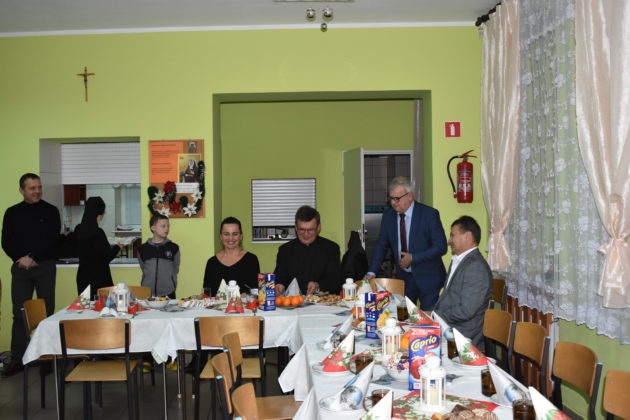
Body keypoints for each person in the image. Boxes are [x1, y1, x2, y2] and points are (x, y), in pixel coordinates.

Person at [1, 173, 61, 377]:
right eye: (32, 188)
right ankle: (18, 359)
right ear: (22, 190)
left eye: (39, 187)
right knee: (19, 314)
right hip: (21, 268)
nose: (37, 191)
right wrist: (21, 258)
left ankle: (47, 358)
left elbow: (53, 240)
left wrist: (33, 257)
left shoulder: (51, 211)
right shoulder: (12, 212)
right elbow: (6, 241)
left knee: (46, 313)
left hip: (44, 266)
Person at [365, 176, 447, 310]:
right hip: (404, 279)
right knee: (404, 317)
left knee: (427, 319)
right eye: (391, 198)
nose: (393, 203)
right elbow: (381, 245)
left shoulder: (429, 214)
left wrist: (413, 258)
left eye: (397, 198)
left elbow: (441, 247)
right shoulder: (388, 216)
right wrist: (372, 272)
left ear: (410, 196)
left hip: (428, 278)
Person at [433, 216, 492, 349]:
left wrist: (435, 315)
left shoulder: (476, 267)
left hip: (463, 337)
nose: (449, 240)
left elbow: (466, 311)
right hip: (449, 327)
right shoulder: (460, 261)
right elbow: (448, 298)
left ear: (468, 237)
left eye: (452, 235)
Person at [275, 205, 341, 295]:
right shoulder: (285, 250)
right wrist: (279, 286)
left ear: (318, 227)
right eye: (301, 229)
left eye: (310, 230)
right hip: (293, 302)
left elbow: (335, 282)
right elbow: (280, 277)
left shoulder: (331, 249)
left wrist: (318, 286)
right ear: (295, 227)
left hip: (321, 302)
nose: (306, 234)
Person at [74, 196, 122, 294]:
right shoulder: (98, 233)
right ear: (100, 213)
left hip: (83, 278)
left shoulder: (78, 229)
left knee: (86, 304)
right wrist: (118, 247)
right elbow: (107, 256)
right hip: (99, 278)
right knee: (102, 304)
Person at [203, 216, 260, 293]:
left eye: (235, 234)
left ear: (241, 236)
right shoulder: (212, 262)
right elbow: (207, 293)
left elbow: (255, 291)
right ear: (221, 237)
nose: (230, 238)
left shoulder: (251, 260)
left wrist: (246, 296)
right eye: (226, 234)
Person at [138, 213, 180, 298]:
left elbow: (175, 268)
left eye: (168, 226)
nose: (166, 228)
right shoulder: (143, 248)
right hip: (147, 293)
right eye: (163, 226)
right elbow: (143, 267)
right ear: (153, 228)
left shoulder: (173, 247)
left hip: (168, 292)